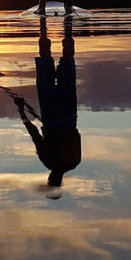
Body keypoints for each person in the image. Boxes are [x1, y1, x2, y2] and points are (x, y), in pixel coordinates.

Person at [15, 18, 81, 198]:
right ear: (52, 179)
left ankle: (67, 31)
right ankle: (43, 30)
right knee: (45, 67)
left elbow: (75, 136)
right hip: (52, 116)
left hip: (69, 115)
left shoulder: (75, 161)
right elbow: (35, 134)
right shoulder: (49, 161)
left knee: (67, 63)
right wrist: (21, 111)